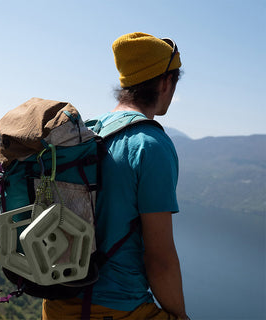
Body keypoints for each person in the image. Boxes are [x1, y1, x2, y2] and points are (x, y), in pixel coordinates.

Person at [42, 32, 189, 320]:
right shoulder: (150, 145)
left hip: (57, 304)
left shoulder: (86, 132)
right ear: (165, 82)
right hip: (116, 310)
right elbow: (160, 260)